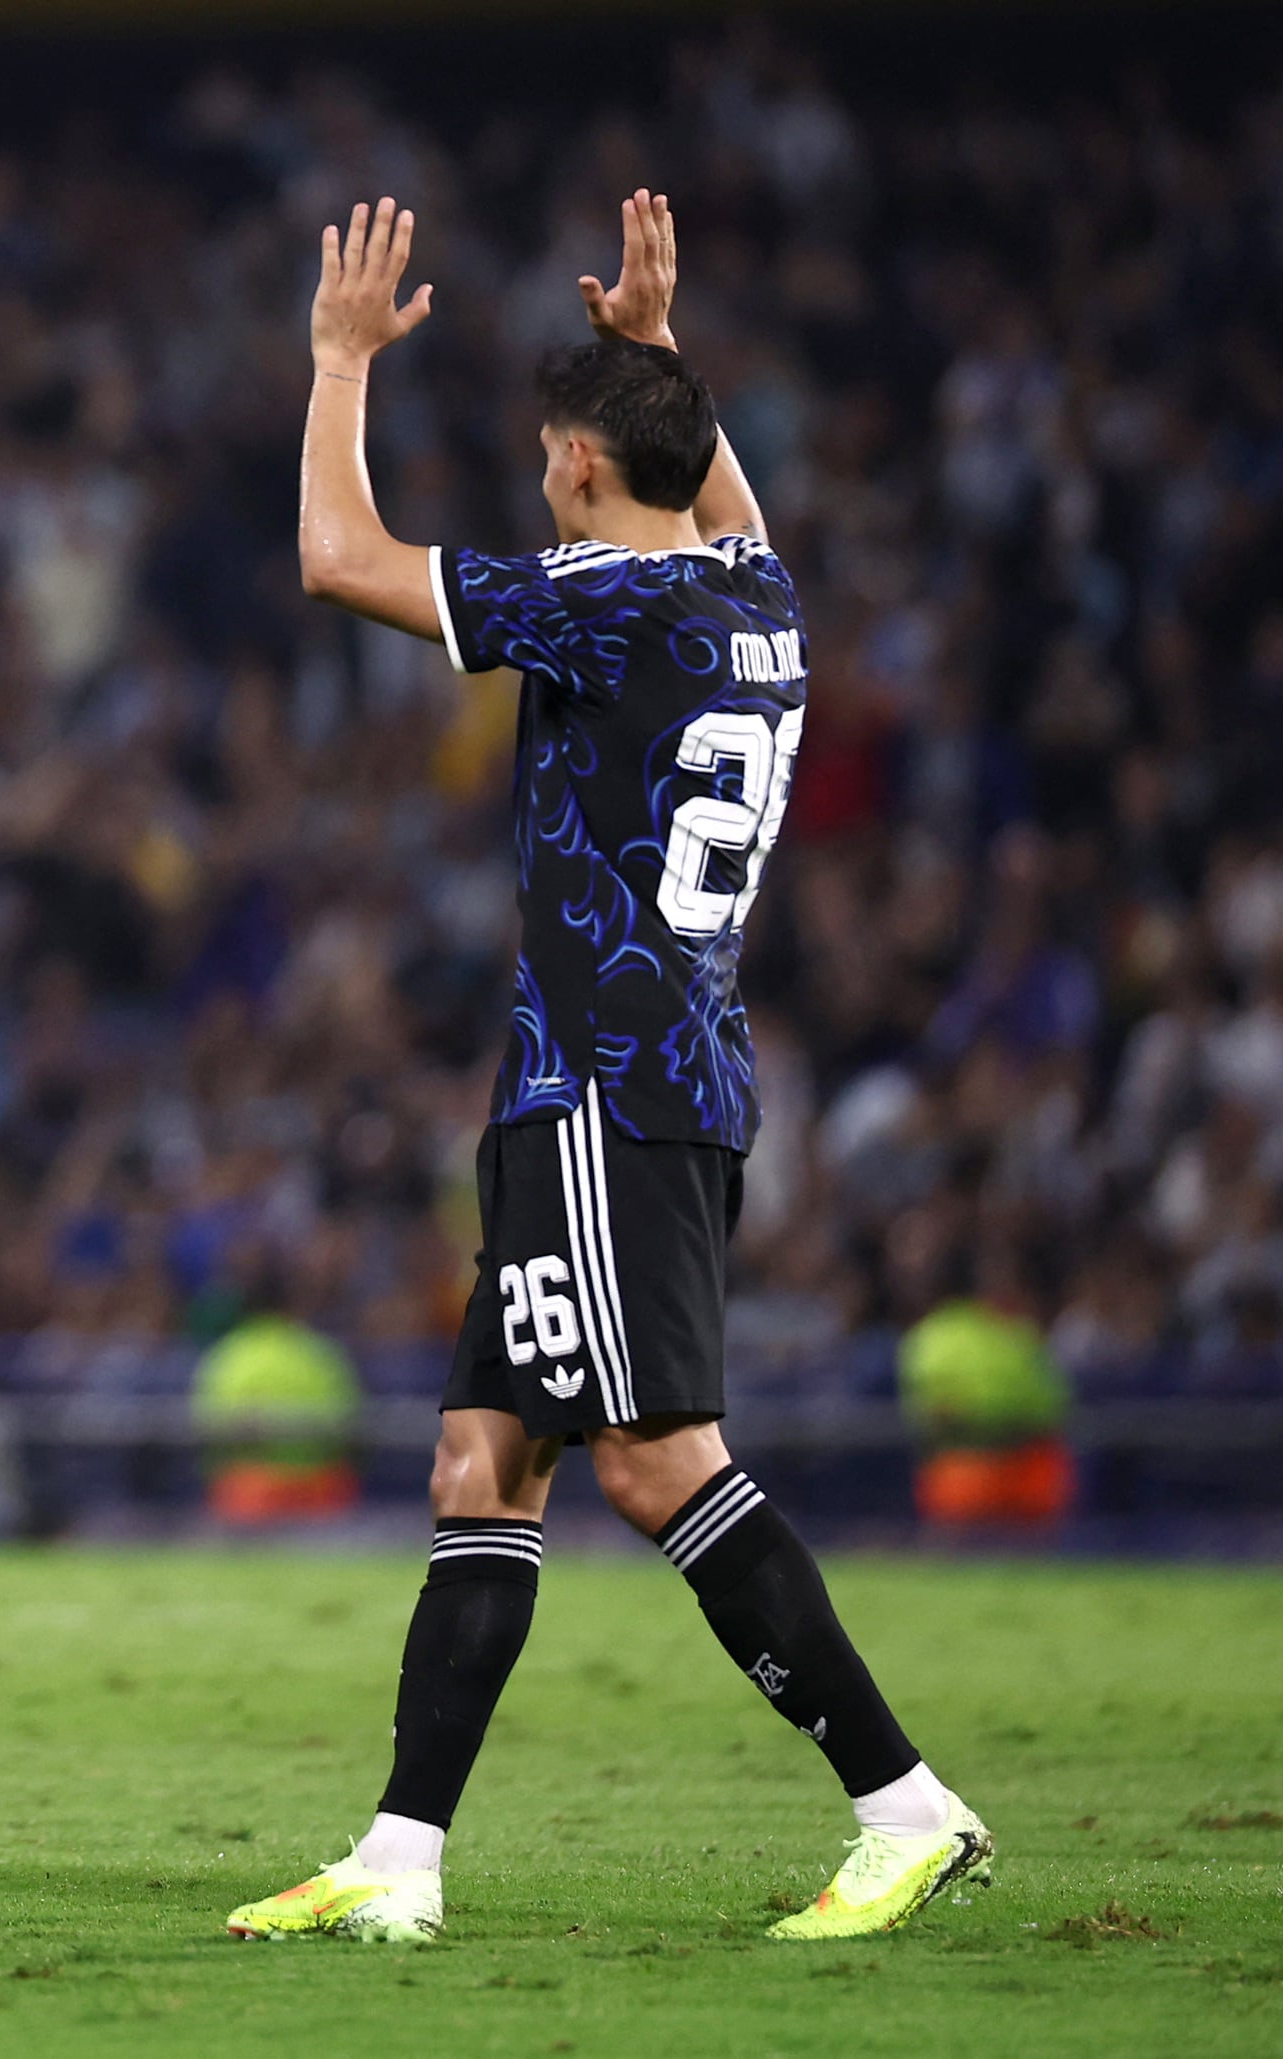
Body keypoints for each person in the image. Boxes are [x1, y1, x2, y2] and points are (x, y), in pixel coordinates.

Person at [225, 194, 990, 1945]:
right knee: (482, 1464)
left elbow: (338, 558)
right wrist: (656, 358)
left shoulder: (602, 600)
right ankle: (398, 1861)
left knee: (653, 1462)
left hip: (602, 1093)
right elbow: (721, 493)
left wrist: (336, 362)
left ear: (575, 464)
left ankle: (903, 1806)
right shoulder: (752, 590)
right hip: (657, 1076)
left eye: (548, 452)